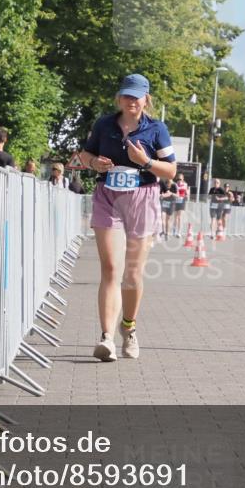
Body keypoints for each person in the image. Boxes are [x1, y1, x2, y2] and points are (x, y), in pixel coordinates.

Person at [79, 73, 176, 362]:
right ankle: (106, 337)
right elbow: (85, 155)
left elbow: (171, 171)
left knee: (132, 274)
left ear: (146, 99)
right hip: (108, 197)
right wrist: (94, 162)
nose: (131, 101)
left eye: (137, 96)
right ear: (119, 98)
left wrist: (145, 161)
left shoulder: (156, 128)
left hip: (142, 199)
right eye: (126, 95)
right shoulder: (104, 124)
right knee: (110, 268)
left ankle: (129, 328)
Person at [159, 177, 177, 241]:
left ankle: (167, 233)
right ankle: (163, 231)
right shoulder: (164, 184)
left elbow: (177, 195)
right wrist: (162, 195)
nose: (168, 184)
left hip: (171, 204)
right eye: (167, 183)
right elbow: (161, 194)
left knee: (167, 220)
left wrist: (171, 193)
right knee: (162, 218)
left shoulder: (174, 186)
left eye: (170, 183)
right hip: (164, 203)